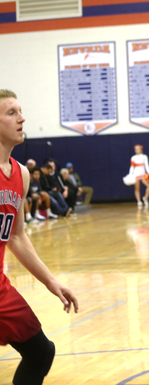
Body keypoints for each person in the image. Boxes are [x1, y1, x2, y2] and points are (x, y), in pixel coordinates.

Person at [0, 89, 79, 384]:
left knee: (40, 352)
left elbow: (17, 236)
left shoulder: (20, 174)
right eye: (11, 113)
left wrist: (51, 281)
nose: (22, 118)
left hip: (1, 288)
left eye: (20, 111)